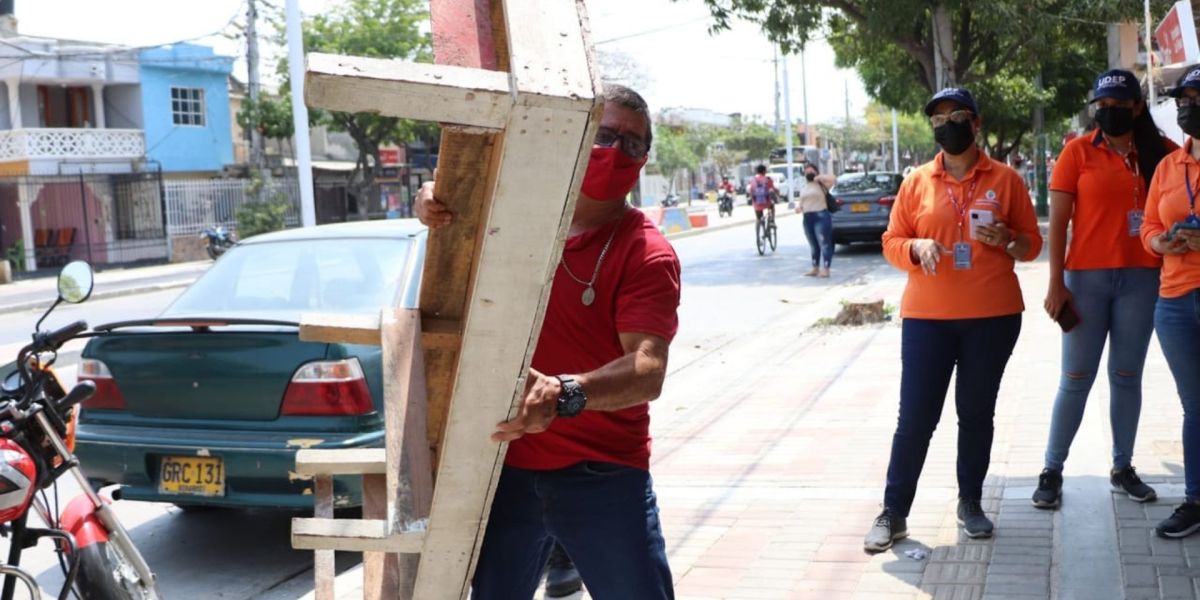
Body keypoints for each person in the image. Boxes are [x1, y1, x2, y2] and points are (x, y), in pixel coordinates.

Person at [416, 84, 680, 598]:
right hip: (503, 468)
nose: (616, 150)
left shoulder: (647, 252)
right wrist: (433, 198)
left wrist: (564, 395)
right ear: (577, 138)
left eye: (632, 143)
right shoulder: (514, 223)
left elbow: (648, 367)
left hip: (603, 474)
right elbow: (453, 202)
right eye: (604, 134)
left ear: (643, 161)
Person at [863, 87, 1043, 552]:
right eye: (938, 118)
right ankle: (894, 512)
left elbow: (1031, 246)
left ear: (976, 123)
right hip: (928, 319)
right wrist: (915, 247)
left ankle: (971, 503)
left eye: (957, 115)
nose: (947, 124)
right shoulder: (917, 182)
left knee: (976, 413)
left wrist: (1006, 238)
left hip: (993, 317)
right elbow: (891, 241)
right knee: (916, 419)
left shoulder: (1006, 180)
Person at [1032, 69, 1175, 510]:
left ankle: (1123, 467)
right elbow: (1058, 224)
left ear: (1137, 107)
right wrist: (1055, 282)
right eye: (1102, 106)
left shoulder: (1161, 153)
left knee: (1126, 376)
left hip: (1143, 277)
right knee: (1075, 378)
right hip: (1086, 281)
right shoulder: (1076, 153)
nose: (1108, 112)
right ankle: (1051, 470)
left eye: (1118, 105)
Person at [1141, 65, 1200, 539]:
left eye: (1196, 97)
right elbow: (1147, 227)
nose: (1187, 105)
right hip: (1175, 301)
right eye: (1183, 97)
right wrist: (1160, 243)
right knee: (1194, 405)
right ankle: (1195, 500)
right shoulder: (1167, 166)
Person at [794, 163, 838, 277]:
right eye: (806, 171)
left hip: (821, 216)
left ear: (816, 172)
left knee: (824, 243)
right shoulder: (804, 187)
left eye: (811, 171)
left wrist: (819, 177)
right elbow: (802, 204)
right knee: (813, 244)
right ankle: (815, 267)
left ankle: (826, 269)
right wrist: (799, 208)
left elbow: (834, 179)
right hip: (807, 217)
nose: (808, 173)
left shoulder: (821, 184)